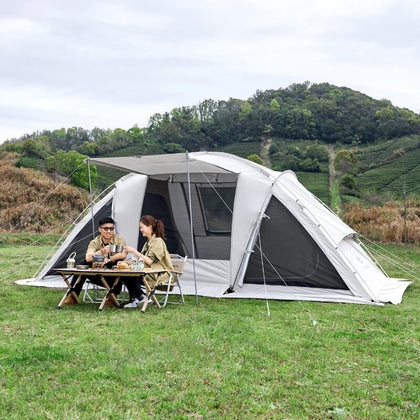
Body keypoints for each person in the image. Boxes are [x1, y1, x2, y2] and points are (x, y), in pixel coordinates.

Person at [62, 216, 144, 305]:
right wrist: (101, 251)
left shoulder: (119, 240)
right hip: (99, 271)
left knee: (121, 264)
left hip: (115, 272)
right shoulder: (94, 242)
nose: (109, 231)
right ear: (100, 229)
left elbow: (123, 254)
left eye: (111, 228)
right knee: (83, 263)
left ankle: (114, 296)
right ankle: (73, 296)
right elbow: (88, 257)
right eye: (106, 228)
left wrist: (108, 260)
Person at [123, 215, 174, 308]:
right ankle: (135, 299)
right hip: (148, 272)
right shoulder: (147, 243)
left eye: (142, 227)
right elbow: (141, 260)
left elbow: (149, 261)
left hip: (159, 274)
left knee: (131, 274)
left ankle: (141, 297)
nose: (140, 230)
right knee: (126, 273)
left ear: (149, 227)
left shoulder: (158, 241)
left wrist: (133, 251)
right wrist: (126, 263)